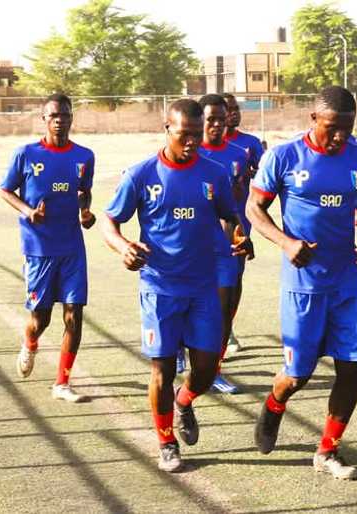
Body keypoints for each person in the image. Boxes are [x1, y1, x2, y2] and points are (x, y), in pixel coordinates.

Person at [101, 99, 251, 473]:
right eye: (184, 135)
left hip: (203, 286)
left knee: (204, 368)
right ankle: (166, 441)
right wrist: (124, 247)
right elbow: (108, 220)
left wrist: (239, 237)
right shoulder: (141, 174)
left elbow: (230, 216)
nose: (192, 143)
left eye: (196, 135)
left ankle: (184, 402)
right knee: (162, 369)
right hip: (159, 287)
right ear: (166, 128)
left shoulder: (214, 173)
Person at [247, 86, 357, 479]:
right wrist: (286, 242)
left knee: (351, 367)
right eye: (332, 128)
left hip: (345, 281)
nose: (340, 136)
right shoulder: (285, 157)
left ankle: (328, 450)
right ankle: (274, 405)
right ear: (314, 120)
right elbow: (253, 208)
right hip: (303, 284)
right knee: (298, 376)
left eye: (346, 127)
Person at [0, 93, 96, 402]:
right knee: (41, 319)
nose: (60, 120)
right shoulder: (25, 153)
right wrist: (29, 212)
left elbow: (84, 191)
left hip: (72, 248)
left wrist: (85, 210)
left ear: (71, 118)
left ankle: (62, 383)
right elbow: (5, 189)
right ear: (44, 119)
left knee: (74, 315)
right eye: (54, 115)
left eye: (65, 115)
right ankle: (30, 343)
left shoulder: (84, 156)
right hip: (39, 248)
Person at [196, 94, 253, 395]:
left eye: (223, 117)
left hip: (231, 242)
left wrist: (242, 232)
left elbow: (242, 198)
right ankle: (182, 351)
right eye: (211, 119)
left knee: (226, 307)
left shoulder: (239, 154)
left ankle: (214, 369)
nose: (218, 124)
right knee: (194, 306)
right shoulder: (190, 153)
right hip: (194, 246)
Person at [221, 92, 265, 357]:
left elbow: (264, 177)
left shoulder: (248, 145)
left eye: (236, 108)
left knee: (234, 280)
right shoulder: (198, 146)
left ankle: (228, 328)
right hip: (209, 226)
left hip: (239, 223)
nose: (233, 113)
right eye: (228, 109)